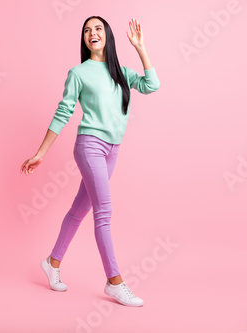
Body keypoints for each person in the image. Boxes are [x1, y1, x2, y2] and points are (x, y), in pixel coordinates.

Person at [20, 16, 160, 307]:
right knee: (104, 212)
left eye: (97, 29)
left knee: (79, 209)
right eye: (87, 30)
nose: (92, 33)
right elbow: (63, 112)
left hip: (113, 149)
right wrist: (41, 153)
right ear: (84, 40)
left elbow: (152, 85)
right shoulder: (79, 73)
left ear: (107, 36)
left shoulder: (121, 72)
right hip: (90, 146)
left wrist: (141, 48)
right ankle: (115, 282)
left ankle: (52, 262)